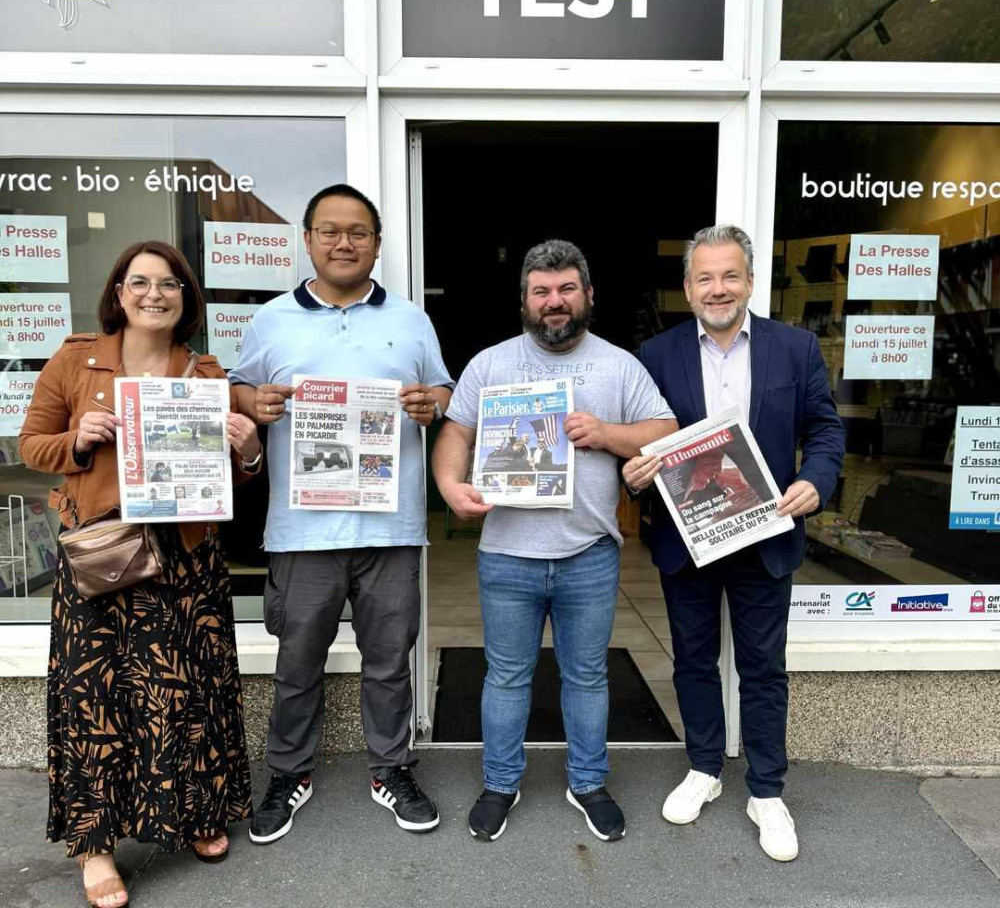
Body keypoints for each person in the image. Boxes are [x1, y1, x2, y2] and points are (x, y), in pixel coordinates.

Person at [20, 241, 263, 908]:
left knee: (190, 692)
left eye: (170, 284)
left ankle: (197, 813)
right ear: (119, 293)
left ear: (187, 299)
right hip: (104, 554)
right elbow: (30, 443)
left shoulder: (206, 375)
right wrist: (78, 437)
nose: (155, 294)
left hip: (185, 560)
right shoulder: (78, 360)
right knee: (95, 700)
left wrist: (247, 455)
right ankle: (97, 850)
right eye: (141, 282)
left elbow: (236, 478)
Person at [432, 239, 676, 844]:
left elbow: (666, 430)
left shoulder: (619, 365)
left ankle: (587, 782)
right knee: (507, 676)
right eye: (542, 291)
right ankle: (500, 783)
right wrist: (448, 485)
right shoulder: (490, 364)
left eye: (567, 289)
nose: (555, 301)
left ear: (588, 295)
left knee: (587, 676)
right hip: (507, 553)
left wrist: (606, 432)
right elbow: (455, 434)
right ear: (524, 301)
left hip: (588, 554)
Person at [230, 184, 453, 843]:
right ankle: (287, 773)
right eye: (330, 230)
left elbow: (441, 386)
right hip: (303, 527)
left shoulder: (410, 318)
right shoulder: (271, 318)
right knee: (298, 660)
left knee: (390, 659)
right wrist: (255, 404)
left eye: (358, 232)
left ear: (378, 245)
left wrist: (429, 405)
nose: (345, 242)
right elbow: (241, 385)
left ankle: (391, 770)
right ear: (308, 240)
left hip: (392, 525)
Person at [624, 225, 845, 863]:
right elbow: (640, 439)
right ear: (688, 287)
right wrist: (634, 472)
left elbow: (825, 430)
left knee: (762, 668)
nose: (717, 289)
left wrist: (815, 480)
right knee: (692, 661)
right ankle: (704, 769)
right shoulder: (655, 354)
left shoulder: (795, 347)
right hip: (688, 536)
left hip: (767, 533)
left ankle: (767, 790)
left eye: (730, 276)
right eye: (704, 278)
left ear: (750, 281)